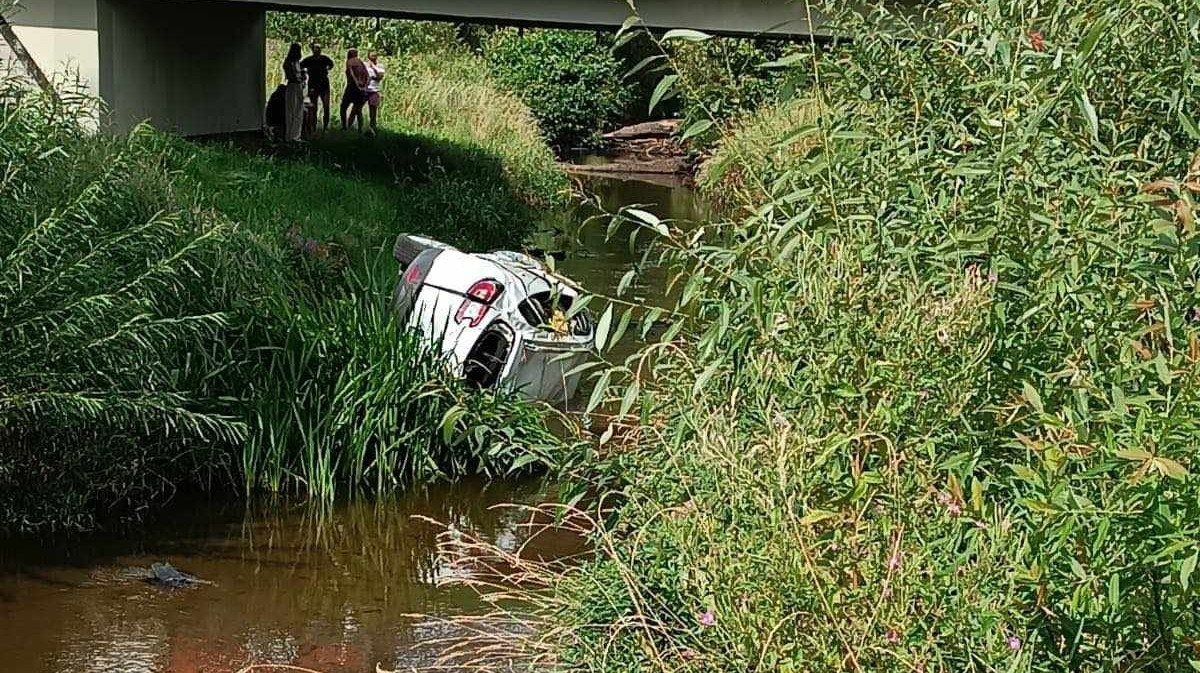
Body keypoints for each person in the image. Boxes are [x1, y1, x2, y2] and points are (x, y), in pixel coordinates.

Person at [300, 43, 335, 133]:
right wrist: (304, 72)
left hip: (323, 85)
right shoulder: (309, 60)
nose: (317, 51)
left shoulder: (324, 59)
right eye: (315, 50)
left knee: (326, 106)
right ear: (313, 51)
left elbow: (331, 64)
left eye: (318, 49)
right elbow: (300, 66)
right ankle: (313, 126)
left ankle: (325, 127)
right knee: (313, 107)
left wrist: (327, 69)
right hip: (313, 85)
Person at [340, 48, 369, 132]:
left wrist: (357, 85)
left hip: (352, 88)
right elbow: (367, 75)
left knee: (343, 107)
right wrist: (365, 87)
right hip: (362, 89)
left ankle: (344, 126)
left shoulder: (349, 61)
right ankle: (360, 129)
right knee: (358, 110)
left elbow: (351, 74)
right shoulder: (360, 62)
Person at [282, 42, 305, 142]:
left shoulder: (297, 62)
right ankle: (290, 136)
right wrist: (299, 78)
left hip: (299, 86)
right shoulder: (289, 63)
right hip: (292, 86)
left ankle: (296, 135)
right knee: (291, 110)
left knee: (298, 111)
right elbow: (291, 76)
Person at [364, 51, 386, 135]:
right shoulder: (364, 65)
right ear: (368, 57)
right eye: (371, 55)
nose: (373, 57)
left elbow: (379, 77)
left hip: (374, 90)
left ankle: (372, 128)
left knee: (373, 110)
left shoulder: (380, 66)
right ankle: (353, 125)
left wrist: (373, 67)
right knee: (357, 108)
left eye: (375, 55)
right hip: (365, 89)